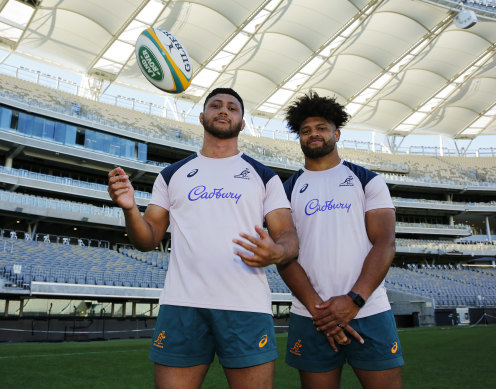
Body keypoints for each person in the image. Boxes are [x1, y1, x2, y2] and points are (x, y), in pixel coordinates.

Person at [107, 87, 299, 389]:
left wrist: (275, 252)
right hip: (183, 305)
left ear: (243, 123)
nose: (224, 110)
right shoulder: (172, 174)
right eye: (216, 105)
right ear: (202, 116)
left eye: (232, 108)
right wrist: (131, 210)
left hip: (246, 306)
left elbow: (289, 237)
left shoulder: (264, 175)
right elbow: (148, 238)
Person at [278, 92, 404, 389]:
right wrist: (320, 312)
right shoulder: (286, 190)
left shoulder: (367, 180)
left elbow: (384, 243)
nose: (313, 134)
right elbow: (284, 256)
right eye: (305, 130)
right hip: (310, 315)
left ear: (336, 133)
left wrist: (353, 300)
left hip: (369, 309)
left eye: (321, 128)